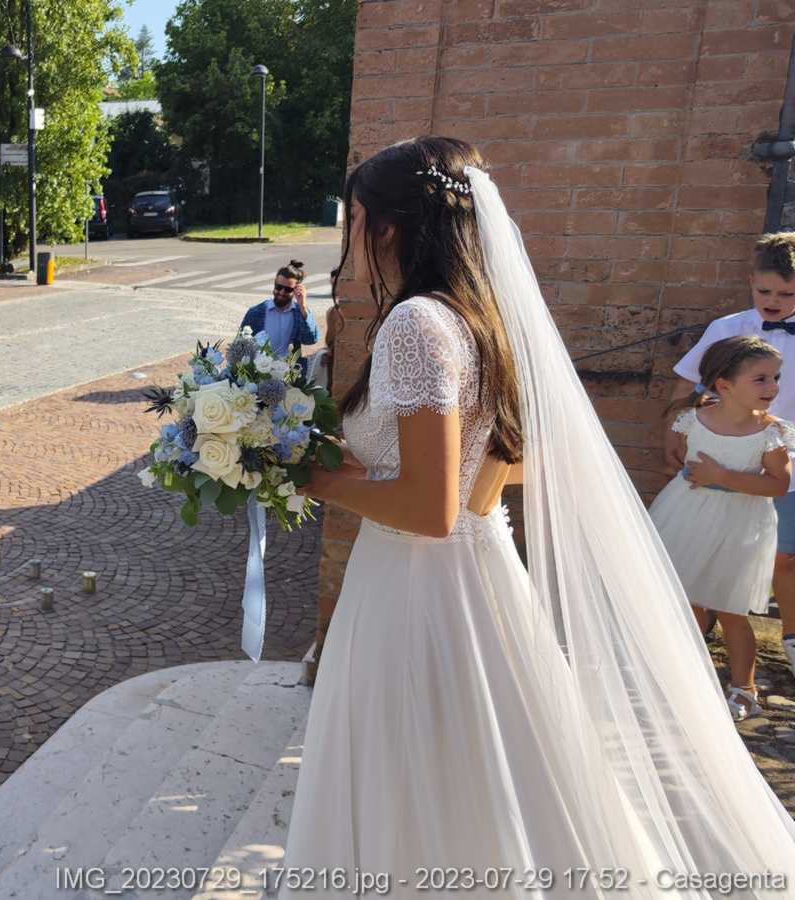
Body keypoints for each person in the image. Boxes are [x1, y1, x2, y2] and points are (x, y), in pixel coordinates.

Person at [286, 137, 795, 891]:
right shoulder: (479, 318)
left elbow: (429, 509)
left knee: (416, 767)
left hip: (415, 585)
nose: (350, 234)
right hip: (477, 571)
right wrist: (391, 473)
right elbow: (505, 456)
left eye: (353, 216)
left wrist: (314, 477)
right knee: (486, 767)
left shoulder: (417, 323)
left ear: (387, 225)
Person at [669, 232, 795, 675]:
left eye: (786, 294)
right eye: (765, 291)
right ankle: (695, 637)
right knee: (708, 548)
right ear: (750, 282)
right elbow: (689, 382)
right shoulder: (727, 328)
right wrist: (675, 428)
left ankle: (791, 637)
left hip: (782, 456)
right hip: (723, 454)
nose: (773, 301)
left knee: (783, 557)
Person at [650, 336, 793, 720]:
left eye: (775, 377)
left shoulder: (771, 433)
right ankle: (685, 677)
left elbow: (778, 485)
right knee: (687, 600)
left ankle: (745, 688)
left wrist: (723, 477)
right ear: (725, 385)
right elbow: (685, 459)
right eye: (760, 379)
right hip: (687, 512)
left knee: (731, 609)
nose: (773, 386)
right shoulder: (693, 419)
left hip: (739, 522)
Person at [239, 260, 318, 360]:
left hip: (289, 368)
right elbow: (240, 347)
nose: (281, 292)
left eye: (288, 289)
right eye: (279, 287)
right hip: (259, 368)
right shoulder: (256, 312)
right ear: (274, 285)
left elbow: (311, 339)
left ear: (296, 290)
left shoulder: (299, 313)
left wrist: (303, 306)